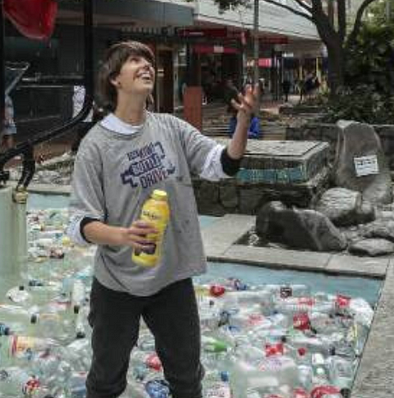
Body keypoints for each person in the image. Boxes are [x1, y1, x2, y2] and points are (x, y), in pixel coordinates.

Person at [67, 41, 259, 398]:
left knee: (186, 377)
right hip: (117, 284)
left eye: (149, 61)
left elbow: (222, 165)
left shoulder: (171, 128)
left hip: (171, 277)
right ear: (114, 79)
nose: (146, 66)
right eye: (135, 61)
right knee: (106, 380)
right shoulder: (95, 145)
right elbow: (80, 224)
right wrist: (122, 235)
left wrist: (243, 122)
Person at [71, 85, 95, 153]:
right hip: (81, 119)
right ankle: (75, 150)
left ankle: (75, 150)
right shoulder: (79, 90)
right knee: (82, 135)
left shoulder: (85, 89)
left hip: (88, 118)